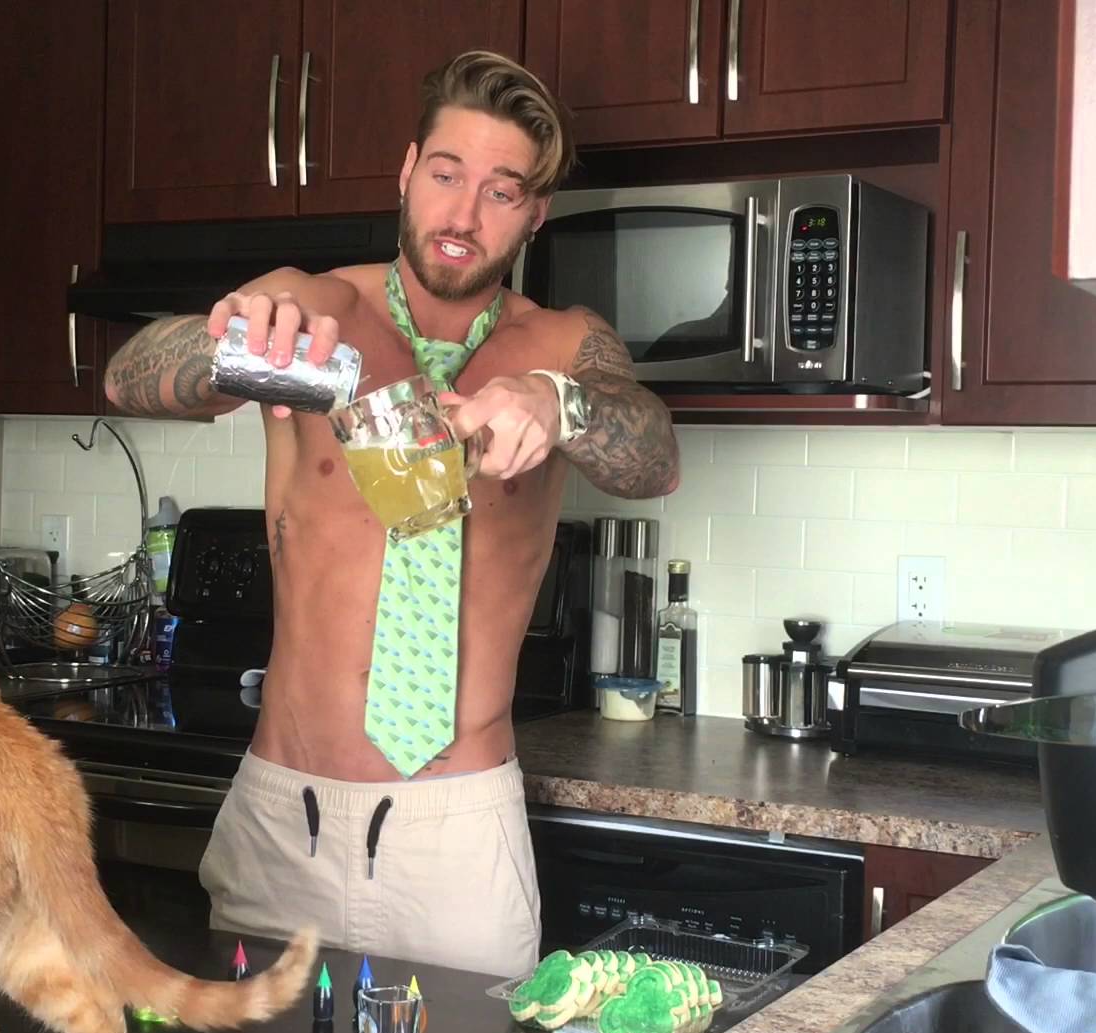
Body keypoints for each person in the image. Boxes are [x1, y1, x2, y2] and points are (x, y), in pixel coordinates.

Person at [102, 50, 680, 978]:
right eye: (446, 175)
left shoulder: (565, 345)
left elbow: (655, 457)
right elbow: (128, 376)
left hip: (458, 836)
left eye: (501, 191)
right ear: (408, 171)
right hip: (284, 818)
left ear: (535, 213)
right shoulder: (317, 304)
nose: (463, 214)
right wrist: (231, 348)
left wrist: (559, 404)